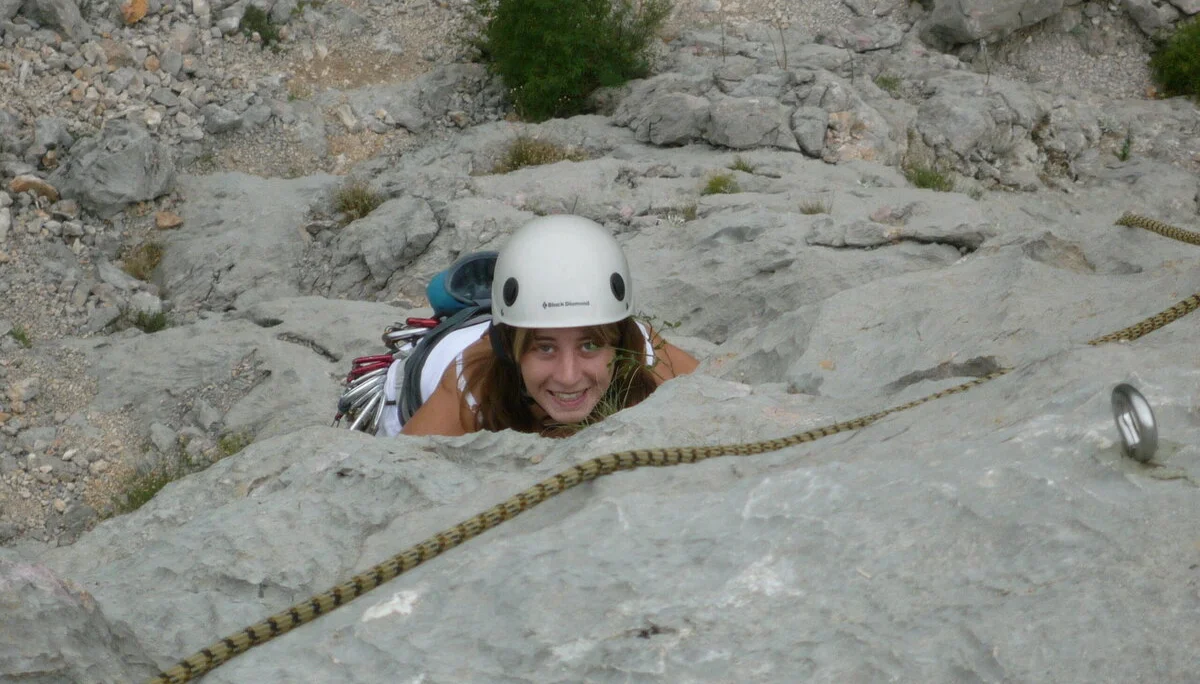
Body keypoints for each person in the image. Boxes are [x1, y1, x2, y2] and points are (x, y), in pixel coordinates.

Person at [402, 215, 698, 437]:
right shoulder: (472, 385)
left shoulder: (649, 359)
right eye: (544, 348)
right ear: (508, 350)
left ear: (620, 343)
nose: (568, 377)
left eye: (589, 345)